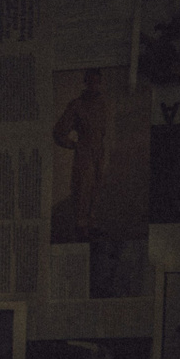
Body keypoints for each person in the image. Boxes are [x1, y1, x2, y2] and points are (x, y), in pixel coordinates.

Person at [53, 68, 109, 241]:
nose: (94, 85)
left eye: (97, 81)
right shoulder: (76, 105)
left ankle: (91, 223)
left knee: (96, 187)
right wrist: (75, 145)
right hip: (85, 152)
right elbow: (59, 132)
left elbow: (102, 129)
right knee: (83, 187)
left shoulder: (102, 103)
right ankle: (81, 225)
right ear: (85, 82)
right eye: (90, 81)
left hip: (99, 151)